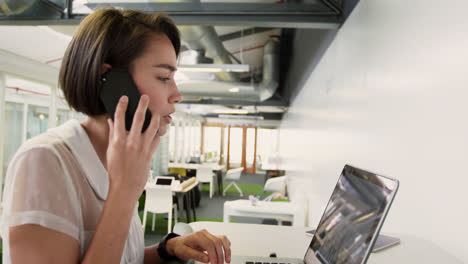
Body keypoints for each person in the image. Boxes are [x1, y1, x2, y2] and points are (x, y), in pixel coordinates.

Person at [0, 8, 231, 264]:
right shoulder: (43, 162)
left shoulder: (119, 160)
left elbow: (121, 257)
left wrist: (168, 249)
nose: (177, 95)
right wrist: (123, 192)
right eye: (164, 77)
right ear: (110, 79)